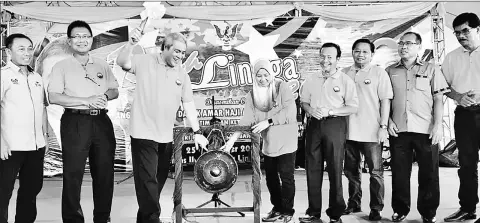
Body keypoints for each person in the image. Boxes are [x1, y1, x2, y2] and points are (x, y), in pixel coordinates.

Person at [116, 27, 208, 223]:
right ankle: (152, 219)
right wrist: (131, 44)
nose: (180, 56)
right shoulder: (145, 61)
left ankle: (145, 219)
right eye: (176, 51)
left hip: (166, 135)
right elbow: (122, 62)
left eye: (183, 53)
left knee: (156, 182)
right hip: (143, 133)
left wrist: (197, 131)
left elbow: (189, 103)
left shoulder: (181, 74)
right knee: (147, 181)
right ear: (165, 48)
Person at [47, 20, 119, 223]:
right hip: (74, 122)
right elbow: (53, 96)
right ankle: (72, 219)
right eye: (77, 37)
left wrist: (104, 96)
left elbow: (115, 90)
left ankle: (102, 218)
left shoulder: (102, 64)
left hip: (102, 122)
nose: (82, 40)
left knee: (105, 174)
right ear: (69, 42)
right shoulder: (61, 66)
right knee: (73, 174)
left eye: (86, 36)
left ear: (92, 40)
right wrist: (85, 101)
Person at [221, 59, 298, 223]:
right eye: (259, 75)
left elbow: (290, 111)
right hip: (269, 143)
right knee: (270, 179)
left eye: (266, 75)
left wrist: (268, 121)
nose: (263, 79)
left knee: (286, 177)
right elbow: (246, 119)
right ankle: (277, 208)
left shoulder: (280, 87)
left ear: (271, 74)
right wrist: (232, 140)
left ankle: (287, 211)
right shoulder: (252, 95)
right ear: (254, 76)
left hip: (286, 142)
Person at [386, 31, 449, 223]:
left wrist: (438, 126)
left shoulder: (432, 69)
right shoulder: (389, 71)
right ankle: (400, 209)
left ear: (418, 47)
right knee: (399, 173)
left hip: (426, 130)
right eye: (401, 43)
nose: (404, 46)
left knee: (429, 173)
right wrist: (387, 122)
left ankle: (428, 212)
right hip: (398, 130)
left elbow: (439, 99)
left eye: (409, 43)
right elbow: (385, 101)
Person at [299, 42, 359, 223]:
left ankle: (335, 214)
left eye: (330, 57)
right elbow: (303, 102)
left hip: (335, 125)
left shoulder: (345, 81)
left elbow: (353, 107)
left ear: (337, 59)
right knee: (312, 169)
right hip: (314, 126)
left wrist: (331, 111)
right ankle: (313, 213)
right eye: (323, 56)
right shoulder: (311, 79)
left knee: (335, 169)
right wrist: (310, 110)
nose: (325, 60)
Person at [341, 38, 393, 220]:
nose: (360, 54)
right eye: (357, 51)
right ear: (352, 52)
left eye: (365, 52)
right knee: (351, 172)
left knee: (376, 172)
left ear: (372, 54)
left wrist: (383, 126)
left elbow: (386, 101)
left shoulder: (379, 73)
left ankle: (376, 208)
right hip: (348, 132)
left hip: (372, 132)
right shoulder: (344, 73)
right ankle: (354, 204)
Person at [0, 33, 49, 223]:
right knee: (3, 194)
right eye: (21, 48)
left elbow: (42, 108)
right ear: (8, 51)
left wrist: (45, 136)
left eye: (30, 48)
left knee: (30, 192)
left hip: (36, 148)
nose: (27, 53)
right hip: (10, 148)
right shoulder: (3, 76)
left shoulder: (37, 77)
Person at [441, 12, 480, 222]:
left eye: (465, 30)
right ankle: (467, 209)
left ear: (478, 28)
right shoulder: (452, 57)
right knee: (466, 164)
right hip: (464, 116)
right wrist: (458, 96)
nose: (460, 36)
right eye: (457, 32)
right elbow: (442, 87)